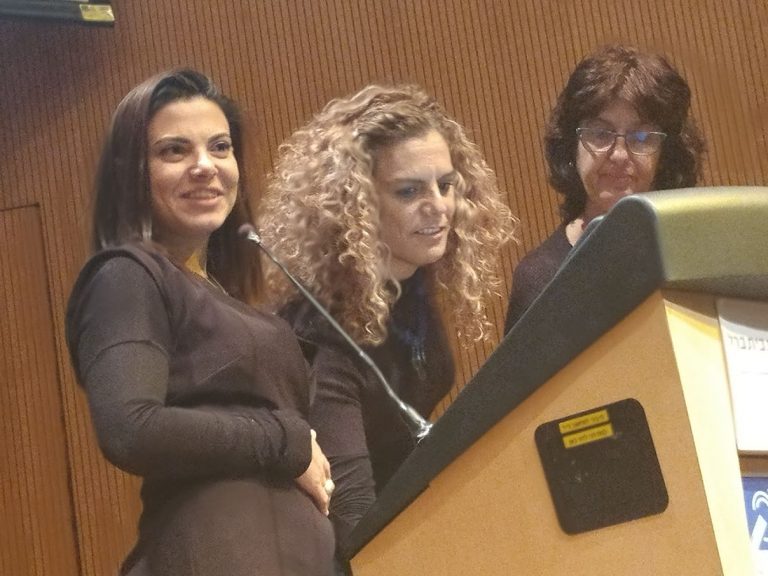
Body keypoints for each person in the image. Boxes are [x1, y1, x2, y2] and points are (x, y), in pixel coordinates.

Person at [65, 69, 335, 575]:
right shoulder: (126, 275)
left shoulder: (220, 292)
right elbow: (130, 428)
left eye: (220, 147)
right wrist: (284, 439)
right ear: (131, 171)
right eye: (174, 151)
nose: (205, 166)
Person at [257, 84, 515, 555]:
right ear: (357, 203)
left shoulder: (409, 282)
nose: (438, 206)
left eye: (446, 185)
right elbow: (354, 519)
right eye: (409, 191)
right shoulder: (321, 332)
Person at [503, 44, 706, 333]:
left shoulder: (697, 259)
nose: (620, 155)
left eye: (641, 137)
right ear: (571, 146)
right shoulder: (541, 279)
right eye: (600, 134)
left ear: (666, 155)